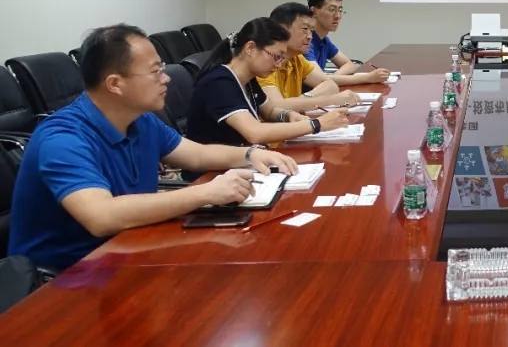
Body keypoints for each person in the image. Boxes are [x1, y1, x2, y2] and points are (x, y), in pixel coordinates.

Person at [6, 24, 299, 271]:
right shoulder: (63, 138)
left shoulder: (140, 119)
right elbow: (101, 216)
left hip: (130, 247)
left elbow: (196, 154)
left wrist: (250, 154)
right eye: (156, 71)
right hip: (69, 277)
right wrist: (204, 193)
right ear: (115, 83)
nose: (166, 78)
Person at [187, 17, 350, 147]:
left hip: (242, 162)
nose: (279, 64)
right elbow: (255, 132)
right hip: (213, 173)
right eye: (276, 56)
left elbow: (268, 110)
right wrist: (316, 124)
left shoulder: (248, 78)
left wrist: (288, 115)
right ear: (250, 48)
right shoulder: (219, 82)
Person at [258, 2, 364, 113]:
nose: (310, 37)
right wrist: (331, 100)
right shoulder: (265, 61)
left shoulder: (297, 59)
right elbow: (276, 107)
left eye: (311, 30)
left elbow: (331, 85)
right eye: (305, 29)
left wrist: (305, 99)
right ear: (282, 29)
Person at [304, 0, 390, 84]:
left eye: (340, 10)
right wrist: (368, 78)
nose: (337, 16)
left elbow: (349, 65)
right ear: (313, 12)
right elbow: (317, 80)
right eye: (332, 10)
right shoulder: (305, 41)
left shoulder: (324, 40)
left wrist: (330, 79)